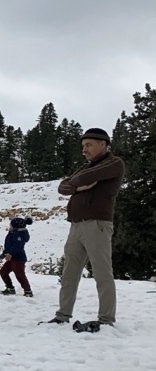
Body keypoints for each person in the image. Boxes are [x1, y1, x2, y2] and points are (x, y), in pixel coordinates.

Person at [47, 128, 124, 329]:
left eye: (88, 145)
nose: (84, 150)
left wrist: (77, 182)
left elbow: (82, 178)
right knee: (69, 273)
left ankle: (106, 319)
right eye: (83, 146)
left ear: (103, 144)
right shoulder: (85, 167)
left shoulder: (114, 163)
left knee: (102, 272)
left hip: (97, 224)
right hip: (76, 225)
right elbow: (62, 187)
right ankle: (62, 315)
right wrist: (78, 186)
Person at [0, 217, 33, 297]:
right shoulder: (12, 233)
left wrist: (10, 253)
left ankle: (28, 291)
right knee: (3, 272)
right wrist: (3, 254)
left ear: (15, 226)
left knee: (19, 275)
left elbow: (18, 246)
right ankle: (10, 288)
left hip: (19, 259)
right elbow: (8, 246)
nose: (9, 226)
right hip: (11, 258)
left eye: (10, 225)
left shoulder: (19, 235)